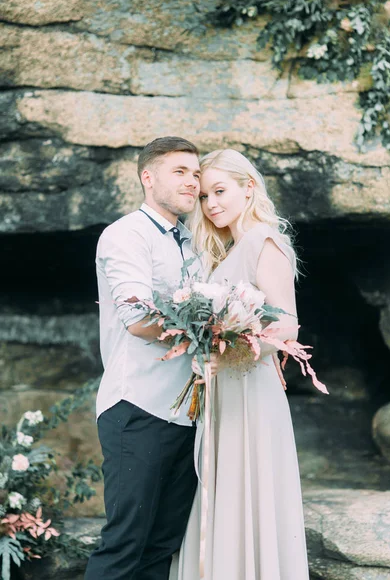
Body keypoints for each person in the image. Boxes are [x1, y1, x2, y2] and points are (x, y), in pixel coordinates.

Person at [171, 149, 309, 580]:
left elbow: (287, 324)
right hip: (221, 391)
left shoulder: (262, 241)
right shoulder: (225, 252)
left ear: (249, 188)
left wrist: (226, 350)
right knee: (222, 493)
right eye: (205, 196)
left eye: (220, 191)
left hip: (249, 389)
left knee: (246, 492)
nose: (211, 204)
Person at [85, 137, 202, 580]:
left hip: (187, 416)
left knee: (161, 547)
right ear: (148, 177)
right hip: (137, 406)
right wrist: (213, 330)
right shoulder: (125, 234)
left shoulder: (189, 242)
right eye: (180, 172)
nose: (192, 181)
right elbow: (136, 318)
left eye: (195, 174)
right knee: (124, 544)